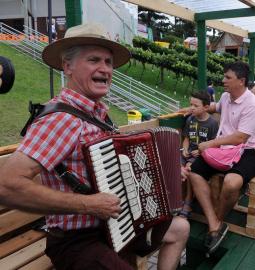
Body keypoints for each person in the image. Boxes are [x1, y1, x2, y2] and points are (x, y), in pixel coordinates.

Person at [0, 23, 189, 270]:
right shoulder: (61, 120)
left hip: (114, 225)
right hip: (77, 240)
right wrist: (89, 204)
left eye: (108, 62)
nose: (105, 69)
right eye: (94, 60)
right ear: (67, 66)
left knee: (180, 228)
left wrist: (165, 175)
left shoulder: (98, 114)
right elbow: (6, 186)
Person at [189, 61, 255, 255]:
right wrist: (201, 109)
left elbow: (240, 137)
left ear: (241, 81)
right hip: (225, 150)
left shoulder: (253, 104)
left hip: (249, 150)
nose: (222, 80)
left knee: (232, 182)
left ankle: (218, 219)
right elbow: (217, 107)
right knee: (194, 172)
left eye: (227, 77)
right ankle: (214, 224)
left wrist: (210, 144)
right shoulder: (226, 96)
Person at [180, 91, 219, 219]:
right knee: (176, 165)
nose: (192, 108)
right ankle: (178, 197)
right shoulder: (190, 119)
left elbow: (215, 144)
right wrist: (184, 148)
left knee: (190, 168)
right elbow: (186, 138)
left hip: (202, 155)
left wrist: (201, 151)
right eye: (191, 104)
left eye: (196, 106)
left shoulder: (212, 124)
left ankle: (188, 201)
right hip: (188, 152)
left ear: (206, 107)